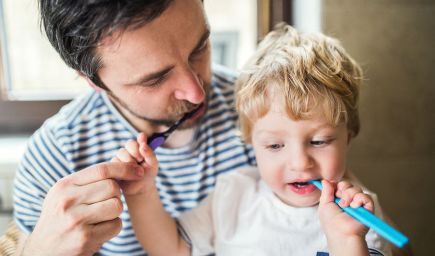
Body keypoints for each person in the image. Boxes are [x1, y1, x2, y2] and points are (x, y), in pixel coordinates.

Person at [112, 23, 392, 255]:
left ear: (349, 137)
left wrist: (346, 241)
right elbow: (171, 250)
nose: (299, 163)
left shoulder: (358, 212)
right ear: (251, 143)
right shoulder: (232, 194)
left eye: (319, 141)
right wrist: (140, 193)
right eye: (274, 145)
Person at [12, 0, 255, 255]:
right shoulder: (57, 154)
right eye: (155, 79)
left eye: (199, 48)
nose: (196, 93)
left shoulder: (262, 109)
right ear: (93, 80)